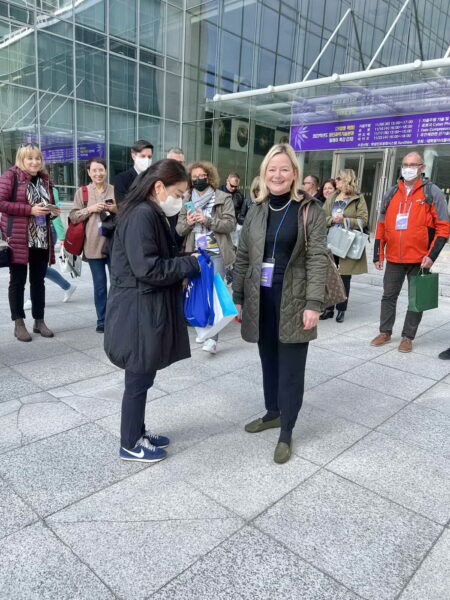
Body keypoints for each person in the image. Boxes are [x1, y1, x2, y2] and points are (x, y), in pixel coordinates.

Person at [232, 144, 328, 464]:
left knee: (290, 369)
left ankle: (287, 430)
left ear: (294, 174)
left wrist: (313, 303)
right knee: (268, 360)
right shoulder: (257, 210)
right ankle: (272, 412)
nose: (277, 175)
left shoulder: (309, 210)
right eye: (272, 169)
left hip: (295, 300)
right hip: (262, 298)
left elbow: (317, 260)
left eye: (284, 169)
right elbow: (244, 255)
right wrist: (239, 297)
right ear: (263, 174)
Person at [104, 159, 201, 464]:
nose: (181, 200)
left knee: (143, 376)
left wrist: (186, 257)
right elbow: (149, 268)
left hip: (143, 306)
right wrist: (191, 263)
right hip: (136, 309)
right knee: (138, 377)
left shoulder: (150, 212)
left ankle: (138, 431)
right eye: (179, 192)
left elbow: (156, 257)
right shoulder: (143, 214)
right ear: (159, 187)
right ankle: (130, 443)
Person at [371, 151, 449, 353]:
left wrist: (431, 256)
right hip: (395, 258)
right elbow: (380, 224)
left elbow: (444, 227)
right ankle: (385, 332)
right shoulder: (391, 193)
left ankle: (407, 336)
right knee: (388, 296)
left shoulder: (433, 193)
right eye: (405, 164)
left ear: (422, 168)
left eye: (413, 164)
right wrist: (378, 254)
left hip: (420, 258)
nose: (408, 168)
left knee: (416, 299)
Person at [0, 143, 60, 341]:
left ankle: (39, 320)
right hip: (18, 237)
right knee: (17, 281)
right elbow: (1, 202)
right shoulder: (11, 176)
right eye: (30, 158)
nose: (34, 162)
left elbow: (44, 205)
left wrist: (51, 211)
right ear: (21, 159)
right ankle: (19, 323)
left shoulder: (44, 179)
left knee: (38, 281)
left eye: (37, 158)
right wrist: (29, 210)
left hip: (41, 237)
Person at [177, 161, 236, 354]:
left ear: (209, 177)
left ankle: (212, 338)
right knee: (195, 291)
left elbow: (230, 225)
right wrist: (188, 222)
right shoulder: (187, 200)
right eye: (194, 177)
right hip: (194, 251)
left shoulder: (222, 197)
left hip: (216, 252)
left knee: (214, 292)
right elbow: (179, 230)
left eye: (201, 176)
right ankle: (202, 328)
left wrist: (207, 220)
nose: (197, 179)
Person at [69, 157, 116, 333]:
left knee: (117, 283)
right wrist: (90, 209)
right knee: (100, 285)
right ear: (89, 172)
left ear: (106, 170)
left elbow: (125, 210)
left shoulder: (114, 189)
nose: (98, 173)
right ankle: (102, 319)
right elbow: (73, 216)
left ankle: (115, 317)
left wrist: (113, 208)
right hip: (93, 245)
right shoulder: (82, 192)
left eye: (101, 170)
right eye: (94, 170)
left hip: (113, 244)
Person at [321, 169, 368, 323]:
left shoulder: (358, 198)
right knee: (328, 274)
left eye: (339, 178)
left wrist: (345, 220)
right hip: (330, 240)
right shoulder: (332, 197)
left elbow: (364, 220)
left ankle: (341, 309)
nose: (336, 181)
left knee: (344, 278)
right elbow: (322, 217)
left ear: (347, 180)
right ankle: (328, 308)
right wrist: (332, 220)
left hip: (347, 242)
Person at [24, 188, 76, 308]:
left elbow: (56, 213)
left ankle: (33, 298)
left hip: (47, 231)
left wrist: (62, 237)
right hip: (32, 231)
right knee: (40, 267)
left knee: (37, 266)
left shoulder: (50, 189)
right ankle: (67, 286)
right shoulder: (27, 187)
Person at [114, 140, 153, 205]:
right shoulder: (122, 179)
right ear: (133, 156)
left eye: (149, 157)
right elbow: (122, 205)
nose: (147, 160)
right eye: (143, 156)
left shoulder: (154, 178)